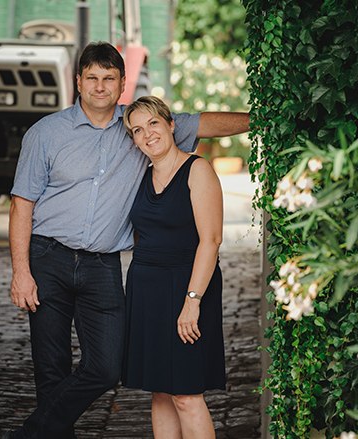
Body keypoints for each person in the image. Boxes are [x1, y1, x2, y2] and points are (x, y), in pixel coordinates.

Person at [5, 42, 248, 439]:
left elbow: (207, 123)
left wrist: (269, 118)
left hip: (102, 264)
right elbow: (21, 204)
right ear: (78, 82)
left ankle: (29, 434)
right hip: (48, 256)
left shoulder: (138, 124)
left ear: (122, 84)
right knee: (51, 369)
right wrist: (21, 271)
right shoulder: (46, 133)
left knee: (106, 366)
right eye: (92, 78)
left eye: (110, 78)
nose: (100, 87)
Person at [122, 96, 225, 438]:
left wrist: (192, 300)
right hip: (146, 290)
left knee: (185, 394)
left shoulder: (198, 170)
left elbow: (210, 241)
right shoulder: (141, 177)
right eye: (137, 130)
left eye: (153, 123)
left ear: (170, 125)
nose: (147, 134)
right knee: (161, 391)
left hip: (188, 287)